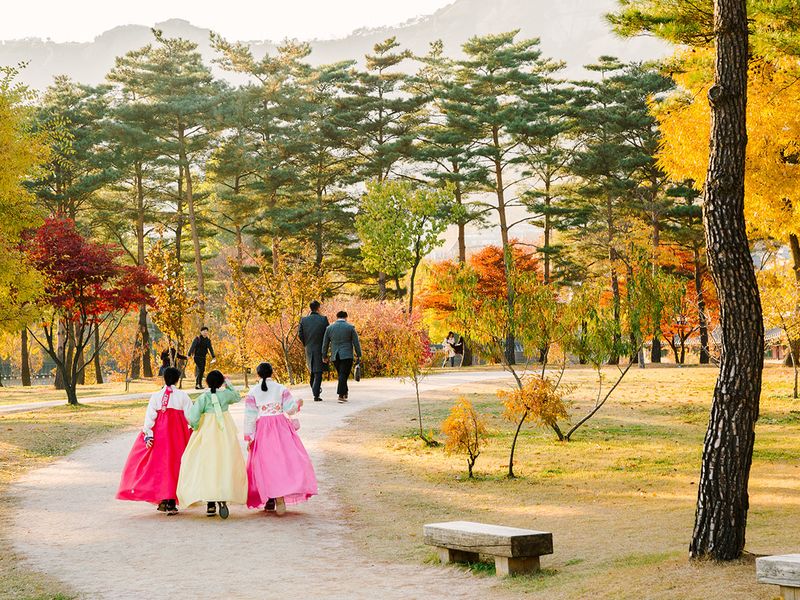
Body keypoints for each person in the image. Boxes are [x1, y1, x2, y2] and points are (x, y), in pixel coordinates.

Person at [116, 367, 192, 515]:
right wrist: (195, 427)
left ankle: (163, 499)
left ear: (164, 379)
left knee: (161, 466)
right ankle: (171, 501)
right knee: (175, 465)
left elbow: (150, 417)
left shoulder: (156, 396)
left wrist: (148, 434)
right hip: (177, 436)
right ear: (177, 379)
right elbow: (190, 416)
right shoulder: (183, 396)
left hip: (161, 436)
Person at [244, 363, 317, 515]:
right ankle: (280, 496)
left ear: (258, 375)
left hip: (263, 428)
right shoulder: (281, 388)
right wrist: (298, 404)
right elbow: (290, 409)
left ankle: (270, 498)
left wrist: (249, 436)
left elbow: (250, 417)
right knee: (284, 461)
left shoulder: (253, 392)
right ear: (272, 372)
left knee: (266, 463)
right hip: (280, 426)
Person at [176, 370, 247, 519]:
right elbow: (236, 396)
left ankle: (210, 503)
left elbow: (193, 417)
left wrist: (195, 427)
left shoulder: (203, 397)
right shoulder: (226, 395)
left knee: (208, 463)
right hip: (224, 432)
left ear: (207, 382)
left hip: (207, 433)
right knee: (224, 462)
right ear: (221, 382)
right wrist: (228, 383)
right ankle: (223, 494)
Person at [322, 310, 362, 403]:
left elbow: (325, 343)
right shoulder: (350, 327)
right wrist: (359, 355)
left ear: (337, 317)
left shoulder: (329, 328)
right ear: (346, 317)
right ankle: (341, 394)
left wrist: (324, 355)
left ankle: (345, 392)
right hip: (347, 355)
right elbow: (356, 342)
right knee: (343, 374)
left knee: (342, 374)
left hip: (335, 356)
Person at [298, 300, 329, 402]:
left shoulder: (303, 320)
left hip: (309, 348)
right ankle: (316, 394)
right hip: (320, 347)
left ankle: (315, 389)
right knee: (318, 372)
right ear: (318, 308)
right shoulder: (323, 319)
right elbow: (327, 335)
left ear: (310, 308)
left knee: (313, 371)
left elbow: (300, 334)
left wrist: (306, 344)